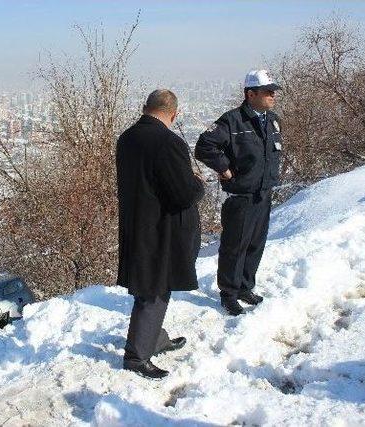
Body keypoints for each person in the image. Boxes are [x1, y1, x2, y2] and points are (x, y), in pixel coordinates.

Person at [116, 89, 205, 379]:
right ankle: (137, 356)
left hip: (136, 223)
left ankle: (155, 338)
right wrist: (197, 182)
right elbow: (182, 195)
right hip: (161, 228)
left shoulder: (126, 138)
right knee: (154, 289)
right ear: (174, 114)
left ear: (145, 108)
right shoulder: (169, 142)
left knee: (150, 285)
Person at [195, 70, 282, 316]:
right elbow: (204, 146)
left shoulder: (272, 119)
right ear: (250, 93)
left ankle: (245, 287)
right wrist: (225, 169)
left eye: (273, 91)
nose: (272, 95)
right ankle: (229, 293)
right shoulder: (232, 121)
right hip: (241, 197)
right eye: (267, 91)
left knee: (255, 243)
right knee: (235, 246)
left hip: (263, 193)